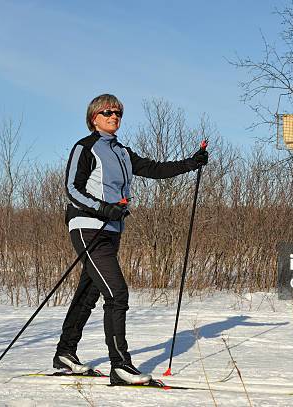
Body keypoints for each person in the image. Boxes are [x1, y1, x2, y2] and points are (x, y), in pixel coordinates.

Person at [53, 94, 208, 385]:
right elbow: (71, 189)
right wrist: (102, 208)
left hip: (111, 231)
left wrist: (191, 163)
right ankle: (121, 366)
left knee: (89, 292)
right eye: (108, 112)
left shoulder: (122, 152)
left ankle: (65, 352)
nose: (114, 116)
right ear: (93, 118)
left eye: (118, 113)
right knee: (117, 293)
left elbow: (154, 169)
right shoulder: (84, 147)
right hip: (88, 227)